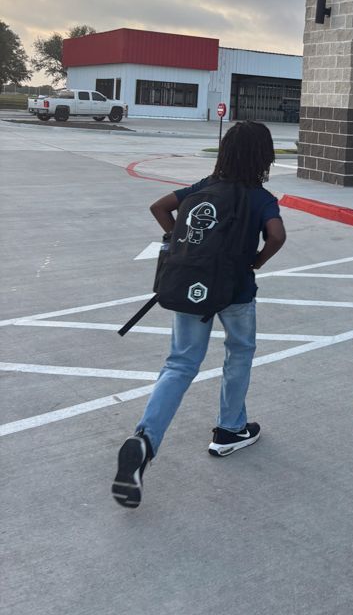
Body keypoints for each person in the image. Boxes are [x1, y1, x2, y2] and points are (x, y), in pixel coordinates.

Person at [112, 121, 286, 509]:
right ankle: (229, 429)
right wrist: (253, 263)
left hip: (194, 289)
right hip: (236, 292)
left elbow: (159, 207)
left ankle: (145, 438)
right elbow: (277, 236)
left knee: (180, 363)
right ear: (264, 157)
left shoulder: (203, 187)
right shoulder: (260, 198)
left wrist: (179, 244)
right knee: (238, 354)